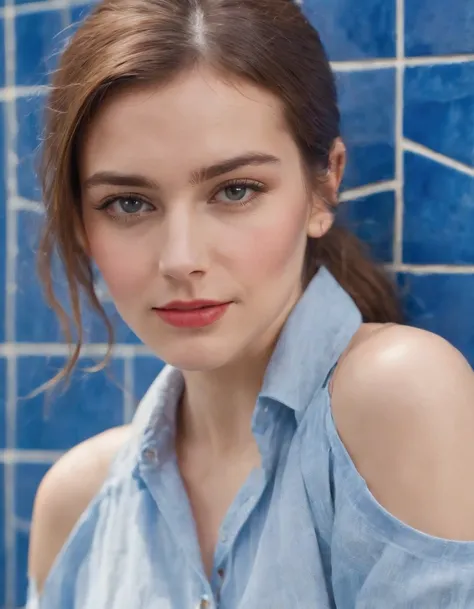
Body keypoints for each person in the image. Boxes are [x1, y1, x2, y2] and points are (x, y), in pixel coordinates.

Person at [28, 0, 474, 606]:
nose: (180, 258)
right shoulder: (75, 506)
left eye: (236, 190)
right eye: (128, 203)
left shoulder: (400, 394)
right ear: (81, 221)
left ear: (324, 186)